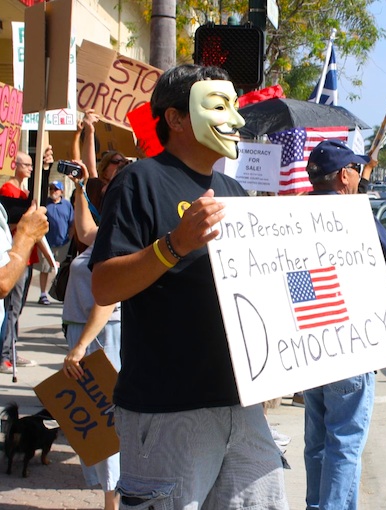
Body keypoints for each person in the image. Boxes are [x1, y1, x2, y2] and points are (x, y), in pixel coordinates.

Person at [89, 64, 288, 509]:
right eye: (219, 106)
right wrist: (174, 245)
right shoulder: (138, 181)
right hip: (167, 410)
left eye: (234, 106)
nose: (236, 120)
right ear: (175, 119)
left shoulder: (234, 191)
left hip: (243, 406)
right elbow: (103, 285)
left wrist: (365, 326)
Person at [303, 139, 386, 510]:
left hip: (309, 342)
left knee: (318, 442)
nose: (359, 176)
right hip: (348, 347)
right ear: (344, 175)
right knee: (344, 444)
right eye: (355, 170)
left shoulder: (293, 214)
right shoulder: (353, 215)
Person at [61, 160, 120, 510]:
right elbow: (84, 230)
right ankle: (111, 499)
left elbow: (109, 297)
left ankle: (112, 504)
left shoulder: (122, 237)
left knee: (105, 422)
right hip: (83, 333)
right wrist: (80, 186)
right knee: (95, 426)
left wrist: (82, 345)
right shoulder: (106, 233)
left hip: (101, 336)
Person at [0, 151, 53, 373]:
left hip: (24, 257)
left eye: (34, 165)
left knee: (16, 308)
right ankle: (4, 355)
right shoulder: (6, 192)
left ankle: (10, 350)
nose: (31, 168)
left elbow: (35, 219)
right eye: (28, 164)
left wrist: (46, 169)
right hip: (11, 259)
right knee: (12, 307)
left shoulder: (23, 192)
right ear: (14, 164)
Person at [35, 181, 74, 305]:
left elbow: (72, 223)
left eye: (56, 189)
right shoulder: (45, 204)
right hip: (47, 243)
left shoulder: (67, 205)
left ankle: (62, 293)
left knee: (63, 270)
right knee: (45, 269)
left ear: (61, 191)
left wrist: (70, 237)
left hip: (63, 243)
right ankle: (42, 294)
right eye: (51, 188)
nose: (53, 191)